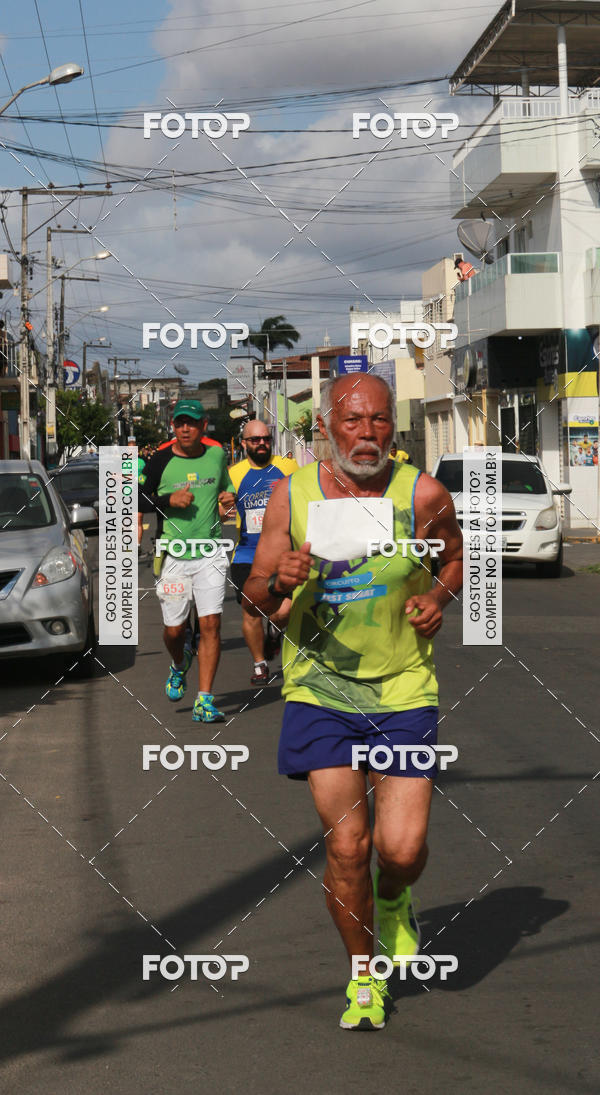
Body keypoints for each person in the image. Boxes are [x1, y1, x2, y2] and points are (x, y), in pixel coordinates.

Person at [244, 373, 462, 1030]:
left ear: (391, 425)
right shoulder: (294, 493)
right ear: (326, 428)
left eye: (378, 421)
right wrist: (275, 579)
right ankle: (363, 974)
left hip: (401, 692)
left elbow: (455, 558)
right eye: (353, 421)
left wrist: (438, 598)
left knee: (400, 848)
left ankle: (393, 899)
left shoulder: (421, 492)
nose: (366, 434)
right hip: (319, 691)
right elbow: (254, 593)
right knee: (347, 848)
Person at [139, 399, 236, 722]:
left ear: (203, 425)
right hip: (173, 556)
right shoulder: (159, 460)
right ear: (173, 425)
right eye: (180, 422)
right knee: (174, 630)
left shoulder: (217, 455)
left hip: (209, 553)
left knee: (211, 624)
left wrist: (228, 496)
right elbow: (138, 497)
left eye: (191, 423)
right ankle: (179, 664)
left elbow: (225, 486)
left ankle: (204, 700)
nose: (184, 428)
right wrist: (168, 499)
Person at [228, 421, 297, 683]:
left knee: (282, 612)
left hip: (283, 552)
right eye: (255, 440)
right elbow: (221, 508)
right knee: (251, 609)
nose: (261, 444)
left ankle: (273, 634)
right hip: (247, 553)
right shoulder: (234, 473)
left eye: (266, 439)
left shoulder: (288, 467)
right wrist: (225, 506)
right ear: (244, 443)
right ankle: (259, 664)